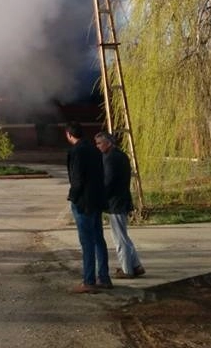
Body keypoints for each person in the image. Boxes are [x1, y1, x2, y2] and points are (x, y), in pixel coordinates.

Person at [65, 121, 111, 293]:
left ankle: (89, 280)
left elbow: (77, 179)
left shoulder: (76, 151)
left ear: (69, 135)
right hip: (97, 200)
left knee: (87, 242)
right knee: (98, 239)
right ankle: (104, 277)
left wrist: (73, 197)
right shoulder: (94, 149)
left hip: (83, 202)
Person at [95, 131, 145, 278]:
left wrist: (100, 198)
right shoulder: (121, 155)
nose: (97, 146)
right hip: (122, 199)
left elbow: (108, 182)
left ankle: (127, 270)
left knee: (119, 238)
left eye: (99, 143)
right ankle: (136, 266)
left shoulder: (110, 158)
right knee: (123, 236)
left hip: (115, 202)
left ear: (108, 143)